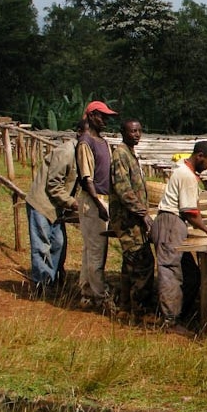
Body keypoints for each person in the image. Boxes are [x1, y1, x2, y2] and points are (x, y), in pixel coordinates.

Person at [151, 141, 207, 333]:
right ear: (199, 156)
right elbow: (189, 211)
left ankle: (179, 313)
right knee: (171, 273)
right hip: (171, 224)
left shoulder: (183, 170)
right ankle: (170, 320)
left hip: (173, 224)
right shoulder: (187, 176)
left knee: (190, 274)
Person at [25, 121, 84, 295]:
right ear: (79, 133)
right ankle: (41, 285)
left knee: (58, 243)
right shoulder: (66, 152)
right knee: (42, 245)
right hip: (42, 203)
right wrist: (73, 203)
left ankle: (53, 280)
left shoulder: (82, 154)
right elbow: (54, 185)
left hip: (57, 206)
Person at [109, 118, 155, 319]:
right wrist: (143, 213)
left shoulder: (131, 154)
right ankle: (141, 310)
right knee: (142, 262)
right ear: (123, 132)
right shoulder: (120, 154)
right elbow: (123, 189)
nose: (136, 134)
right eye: (132, 131)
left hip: (132, 217)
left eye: (139, 131)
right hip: (127, 219)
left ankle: (125, 307)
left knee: (129, 264)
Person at [76, 100, 117, 309]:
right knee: (96, 250)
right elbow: (86, 178)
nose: (106, 120)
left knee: (90, 249)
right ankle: (101, 296)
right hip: (93, 199)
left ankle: (86, 291)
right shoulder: (86, 142)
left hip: (103, 197)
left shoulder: (103, 142)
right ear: (92, 116)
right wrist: (99, 205)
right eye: (102, 116)